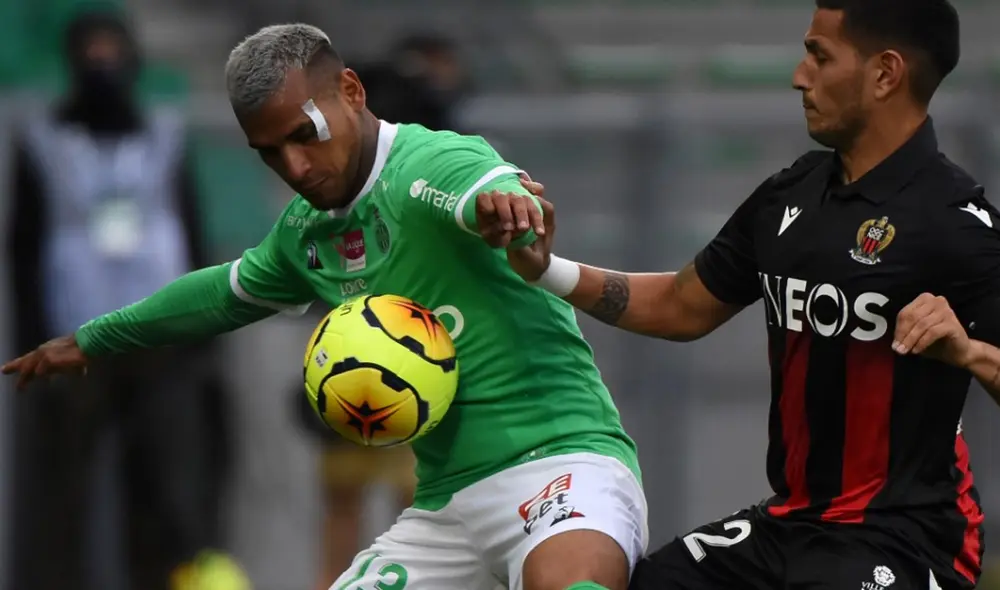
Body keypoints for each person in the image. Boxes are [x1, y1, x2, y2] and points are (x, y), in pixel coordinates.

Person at [2, 23, 648, 590]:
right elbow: (219, 295)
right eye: (270, 152)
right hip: (447, 505)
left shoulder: (433, 163)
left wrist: (512, 207)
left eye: (303, 135)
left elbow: (490, 185)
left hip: (561, 466)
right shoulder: (305, 233)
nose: (295, 166)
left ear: (351, 91)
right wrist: (93, 338)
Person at [504, 0, 999, 588]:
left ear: (885, 73)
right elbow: (682, 305)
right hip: (789, 527)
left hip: (904, 540)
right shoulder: (791, 194)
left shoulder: (956, 223)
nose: (799, 76)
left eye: (820, 56)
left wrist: (968, 351)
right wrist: (545, 270)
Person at [4, 7, 246, 590]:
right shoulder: (42, 141)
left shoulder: (165, 136)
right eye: (91, 53)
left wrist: (202, 332)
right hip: (73, 339)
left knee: (168, 487)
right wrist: (35, 340)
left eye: (112, 51)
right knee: (61, 492)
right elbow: (24, 248)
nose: (102, 65)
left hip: (160, 337)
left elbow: (192, 233)